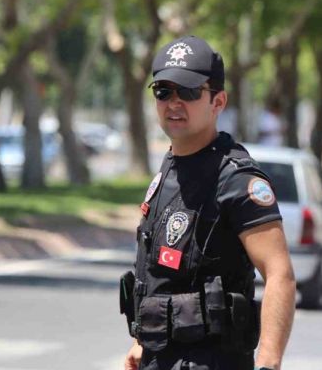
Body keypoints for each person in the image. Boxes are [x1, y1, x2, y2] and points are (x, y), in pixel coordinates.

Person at [121, 35, 296, 370]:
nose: (174, 102)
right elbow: (163, 277)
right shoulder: (170, 167)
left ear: (218, 102)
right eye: (163, 91)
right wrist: (142, 342)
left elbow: (279, 274)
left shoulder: (236, 179)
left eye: (188, 92)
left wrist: (269, 363)